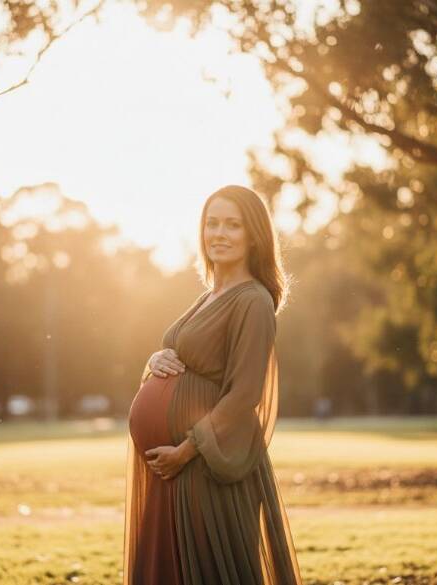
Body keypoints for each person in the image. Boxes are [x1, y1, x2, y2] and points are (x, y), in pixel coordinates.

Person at [124, 185, 302, 585]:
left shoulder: (253, 301)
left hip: (203, 466)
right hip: (173, 468)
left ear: (254, 234)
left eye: (232, 225)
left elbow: (244, 395)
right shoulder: (210, 296)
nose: (218, 234)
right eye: (212, 223)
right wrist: (154, 360)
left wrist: (186, 450)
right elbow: (184, 359)